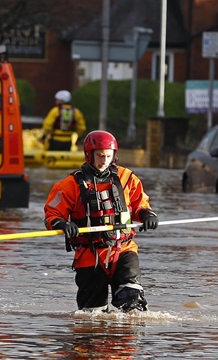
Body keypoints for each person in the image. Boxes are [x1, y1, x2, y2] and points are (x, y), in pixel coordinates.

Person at [44, 130, 159, 312]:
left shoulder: (127, 178)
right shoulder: (69, 185)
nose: (104, 160)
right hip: (89, 254)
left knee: (133, 303)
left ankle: (127, 337)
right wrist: (64, 224)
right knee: (92, 316)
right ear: (89, 154)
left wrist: (147, 215)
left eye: (108, 156)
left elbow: (139, 205)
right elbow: (52, 214)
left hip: (123, 249)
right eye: (99, 156)